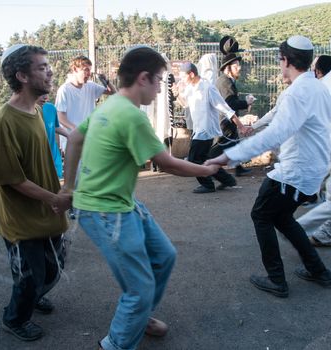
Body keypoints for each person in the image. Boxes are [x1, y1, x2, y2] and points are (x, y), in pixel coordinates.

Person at [61, 46, 220, 350]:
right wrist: (208, 169)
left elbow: (76, 138)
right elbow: (168, 163)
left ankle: (140, 315)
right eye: (159, 81)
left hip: (121, 204)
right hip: (106, 211)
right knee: (139, 287)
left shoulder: (109, 106)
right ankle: (116, 344)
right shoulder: (130, 115)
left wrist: (69, 187)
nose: (161, 89)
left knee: (164, 256)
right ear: (143, 78)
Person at [206, 35, 331, 298]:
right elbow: (276, 114)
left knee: (262, 215)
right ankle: (318, 270)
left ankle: (277, 279)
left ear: (286, 60)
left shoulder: (298, 93)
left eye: (280, 61)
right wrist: (255, 125)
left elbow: (275, 134)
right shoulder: (317, 88)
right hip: (311, 170)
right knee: (283, 217)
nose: (279, 66)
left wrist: (227, 157)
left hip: (294, 173)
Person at [0, 44, 71, 341]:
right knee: (30, 275)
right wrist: (54, 198)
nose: (50, 71)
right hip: (21, 218)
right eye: (42, 67)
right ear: (22, 75)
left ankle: (33, 296)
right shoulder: (2, 121)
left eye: (48, 65)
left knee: (53, 268)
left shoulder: (36, 111)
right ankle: (15, 318)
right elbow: (11, 179)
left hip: (46, 209)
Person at [297, 29, 331, 247]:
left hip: (324, 145)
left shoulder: (328, 79)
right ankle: (298, 230)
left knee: (327, 194)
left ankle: (318, 232)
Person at [173, 62, 244, 193]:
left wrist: (241, 126)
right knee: (204, 159)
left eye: (183, 76)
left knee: (194, 159)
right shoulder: (190, 88)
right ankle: (228, 180)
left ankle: (207, 184)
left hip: (206, 130)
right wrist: (177, 94)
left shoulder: (208, 88)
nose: (181, 80)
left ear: (192, 74)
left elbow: (225, 108)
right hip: (198, 129)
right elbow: (185, 104)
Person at [55, 55, 115, 147]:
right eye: (85, 69)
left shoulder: (91, 86)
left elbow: (113, 93)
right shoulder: (64, 90)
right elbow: (60, 117)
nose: (89, 73)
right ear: (75, 69)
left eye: (90, 70)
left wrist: (106, 80)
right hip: (72, 141)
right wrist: (77, 130)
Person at [216, 36, 255, 177]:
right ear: (227, 68)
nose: (239, 67)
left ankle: (237, 169)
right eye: (236, 66)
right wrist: (246, 103)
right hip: (224, 123)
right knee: (215, 154)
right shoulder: (225, 82)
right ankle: (208, 173)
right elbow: (230, 103)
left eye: (239, 65)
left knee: (233, 146)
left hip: (226, 123)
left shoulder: (226, 80)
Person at [37, 94, 69, 179]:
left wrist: (70, 135)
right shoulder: (25, 112)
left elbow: (55, 127)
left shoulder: (51, 108)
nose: (45, 97)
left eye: (46, 93)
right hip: (38, 159)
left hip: (54, 157)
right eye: (41, 93)